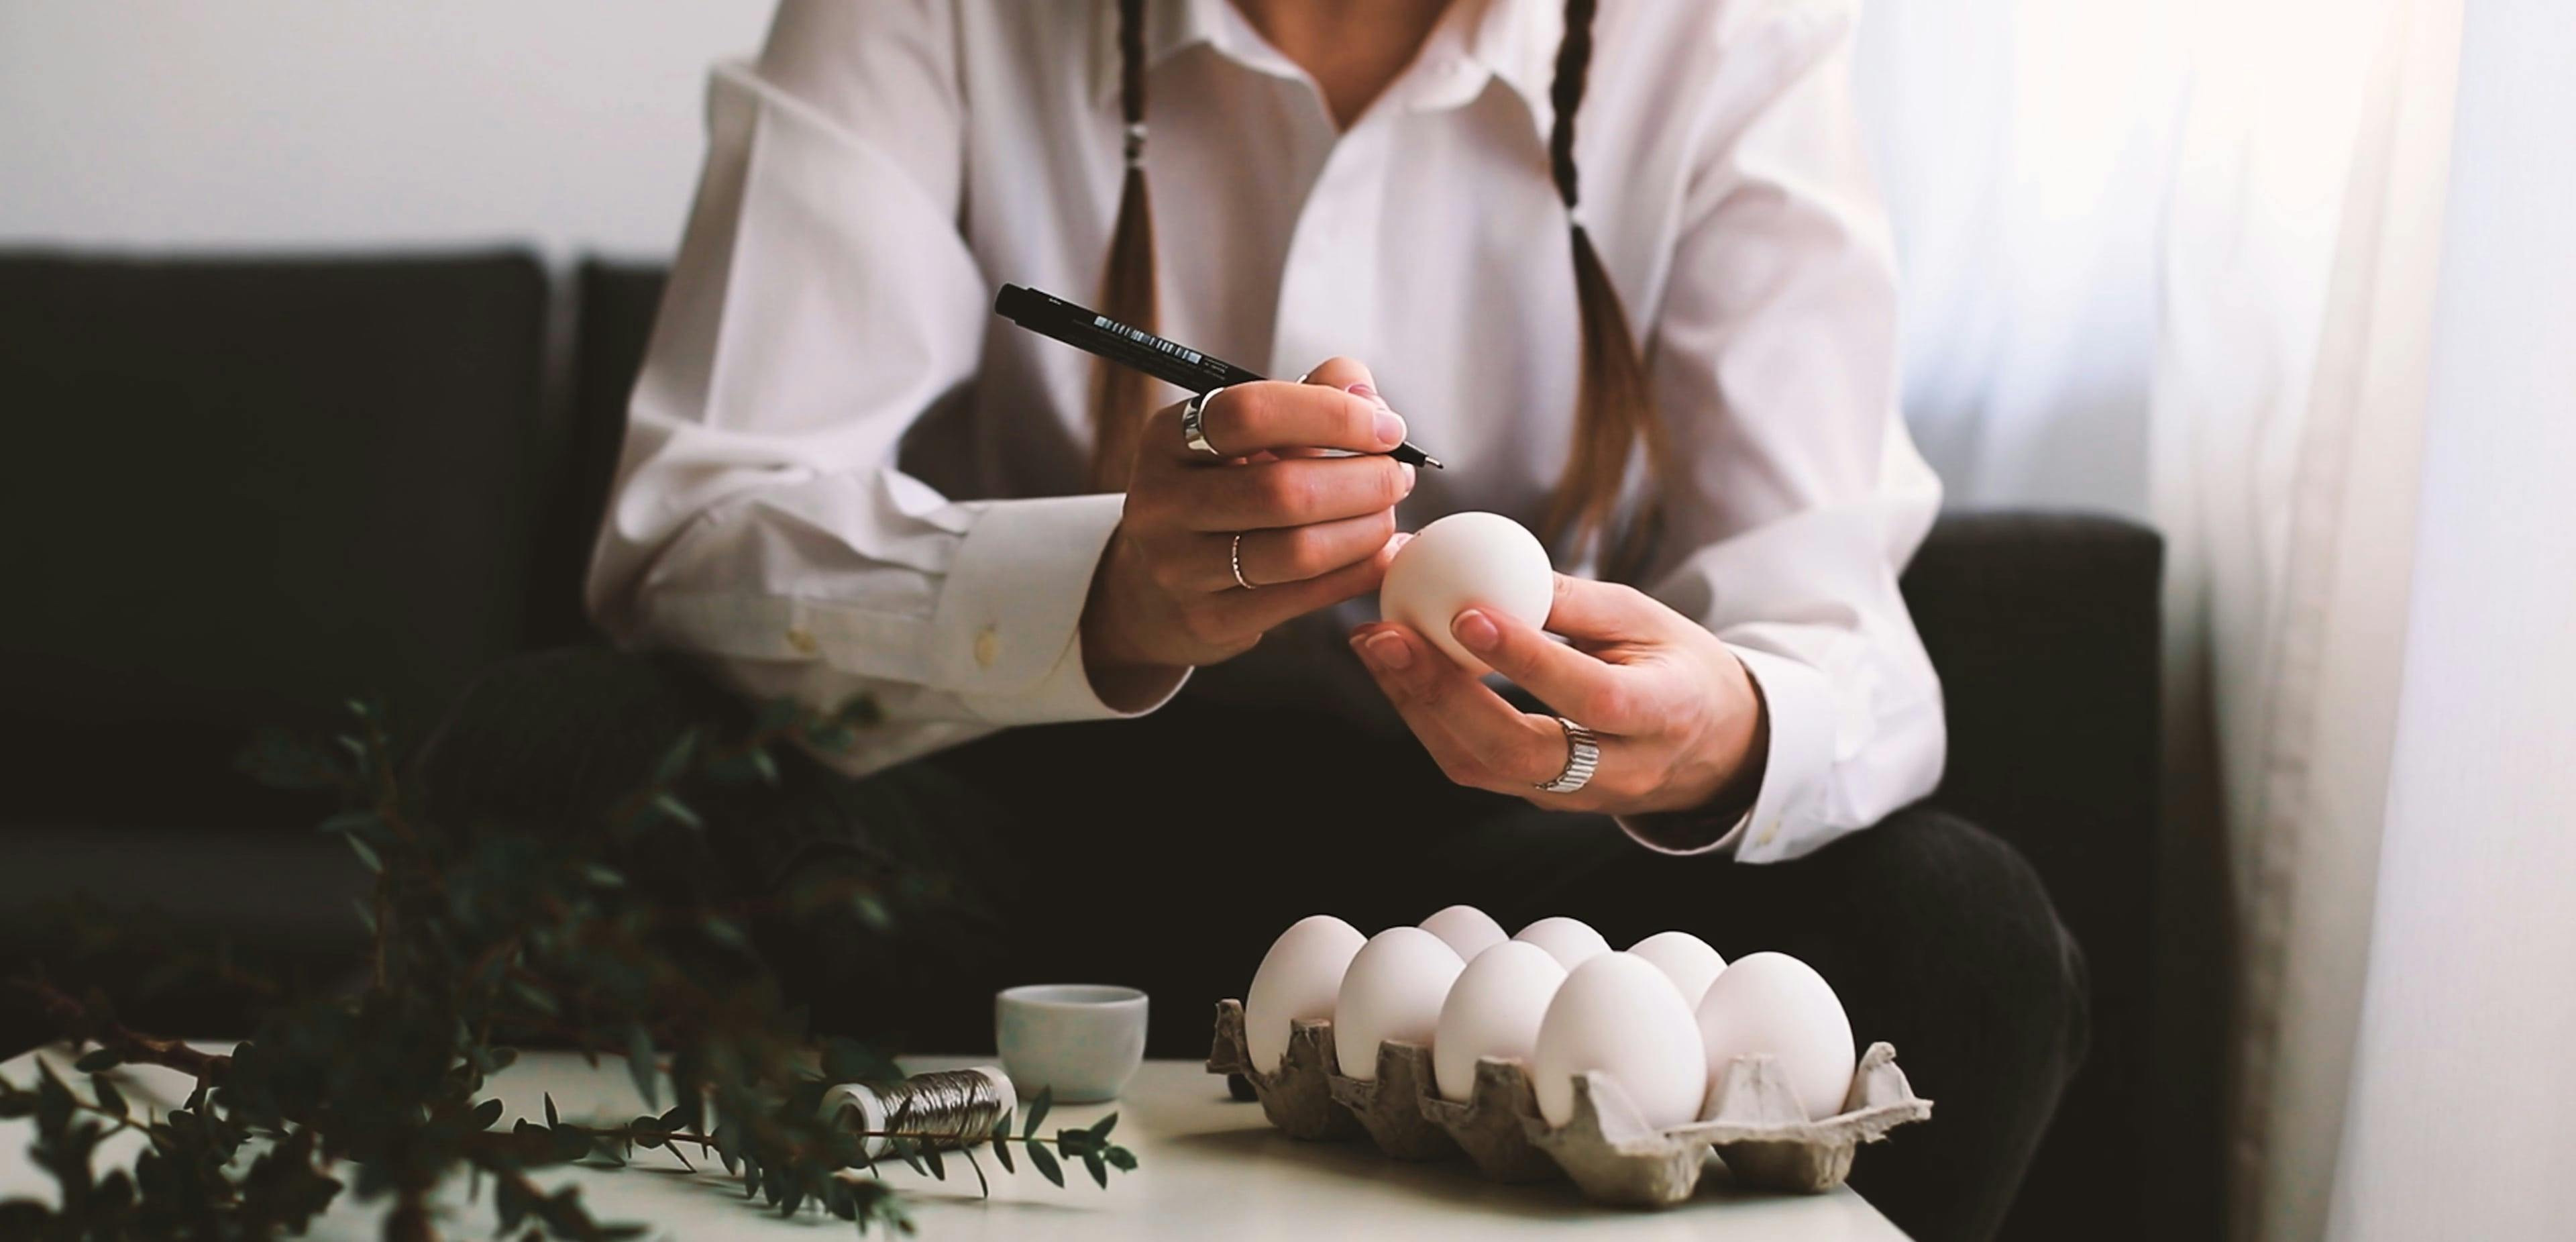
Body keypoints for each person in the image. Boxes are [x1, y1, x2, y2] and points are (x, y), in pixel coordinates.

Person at [433, 2, 2087, 1238]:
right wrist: (1105, 593)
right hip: (1014, 822)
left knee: (1961, 931)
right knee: (552, 760)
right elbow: (699, 524)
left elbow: (1837, 628)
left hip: (1495, 884)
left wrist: (1706, 734)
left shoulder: (1714, 38)